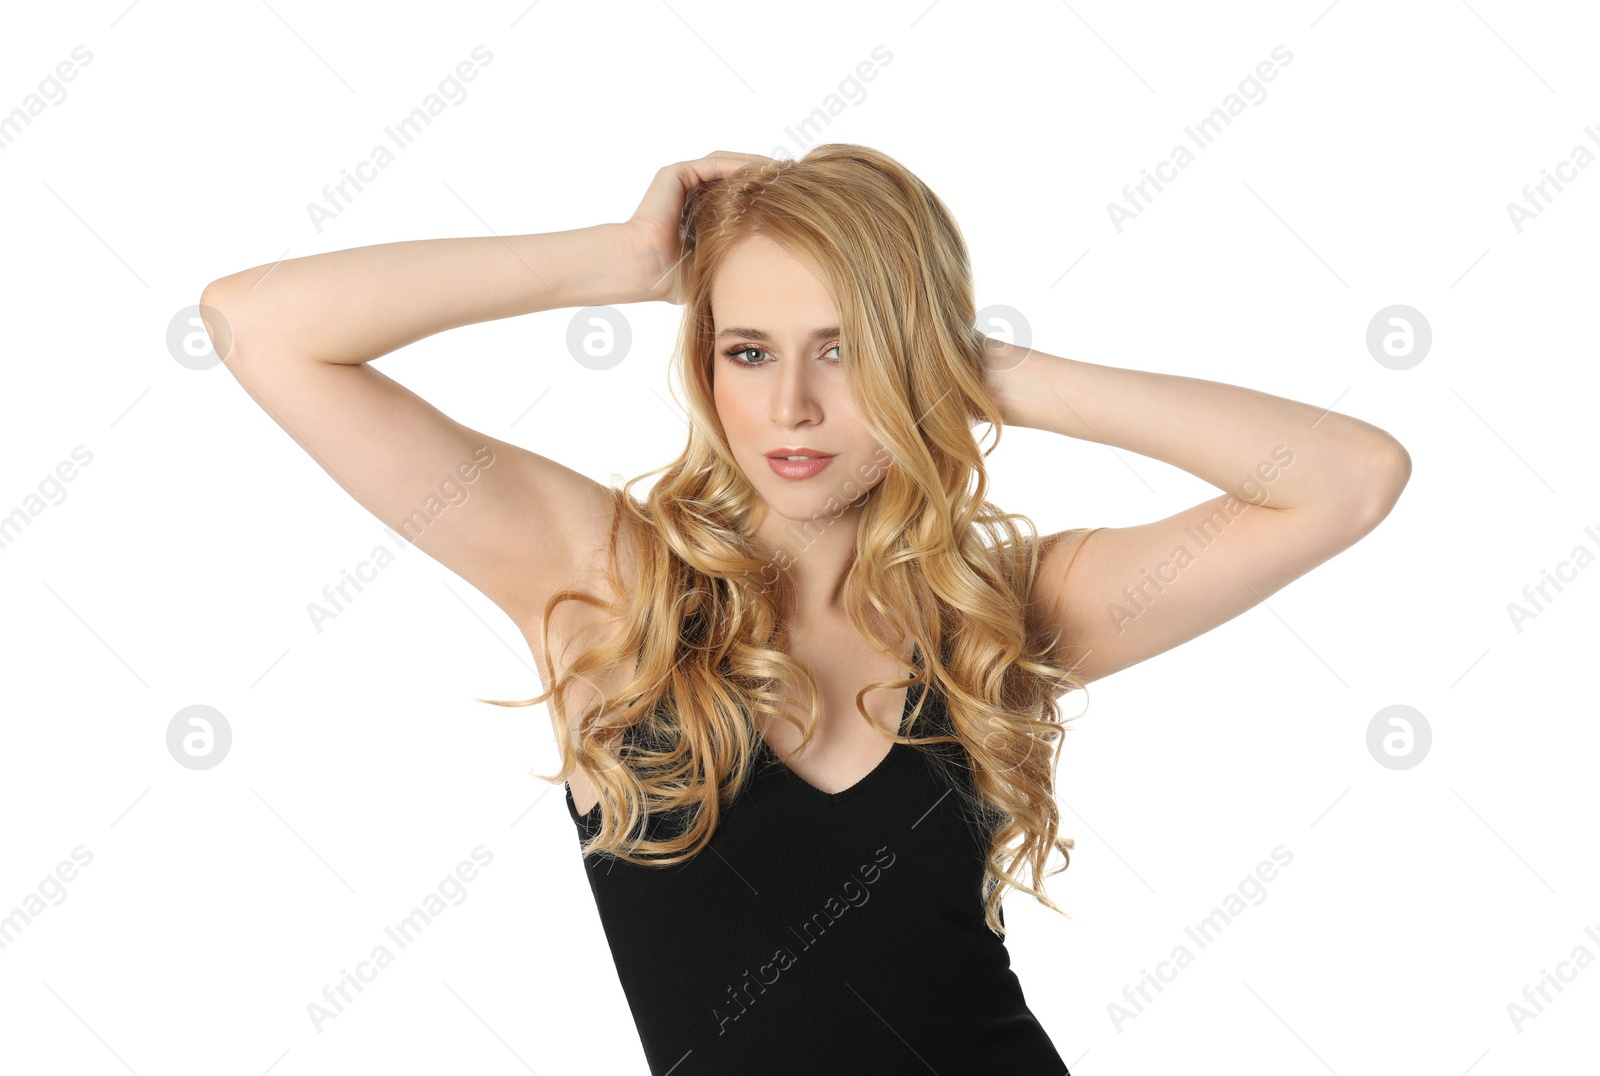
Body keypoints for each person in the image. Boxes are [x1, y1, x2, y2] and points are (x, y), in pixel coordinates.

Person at [200, 144, 1411, 1074]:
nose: (790, 407)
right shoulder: (603, 588)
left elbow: (1346, 479)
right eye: (748, 350)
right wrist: (621, 260)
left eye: (842, 350)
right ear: (703, 360)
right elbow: (257, 326)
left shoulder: (1002, 616)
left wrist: (975, 369)